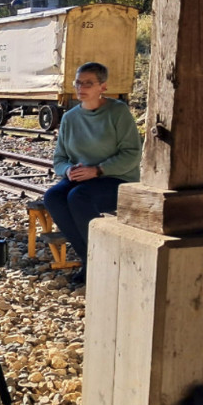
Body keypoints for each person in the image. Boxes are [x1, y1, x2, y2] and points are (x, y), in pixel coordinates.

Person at [43, 62, 142, 289]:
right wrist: (67, 170)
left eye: (88, 83)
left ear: (103, 87)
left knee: (78, 197)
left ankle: (100, 260)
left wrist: (98, 170)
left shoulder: (118, 112)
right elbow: (59, 159)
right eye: (78, 82)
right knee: (54, 197)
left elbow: (132, 154)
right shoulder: (70, 118)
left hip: (116, 178)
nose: (81, 87)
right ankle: (90, 258)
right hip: (80, 177)